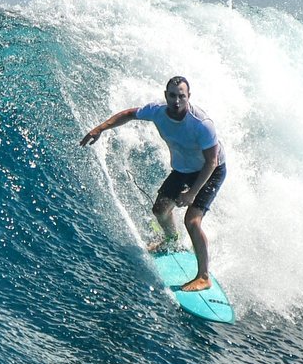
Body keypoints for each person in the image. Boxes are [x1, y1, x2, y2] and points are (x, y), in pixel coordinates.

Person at [79, 75, 227, 292]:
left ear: (189, 97)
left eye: (182, 96)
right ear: (166, 95)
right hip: (184, 168)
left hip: (210, 170)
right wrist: (100, 128)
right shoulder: (157, 111)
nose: (177, 101)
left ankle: (204, 277)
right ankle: (171, 239)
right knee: (160, 210)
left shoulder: (201, 124)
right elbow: (129, 114)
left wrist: (192, 193)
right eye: (172, 96)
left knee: (192, 220)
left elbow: (212, 161)